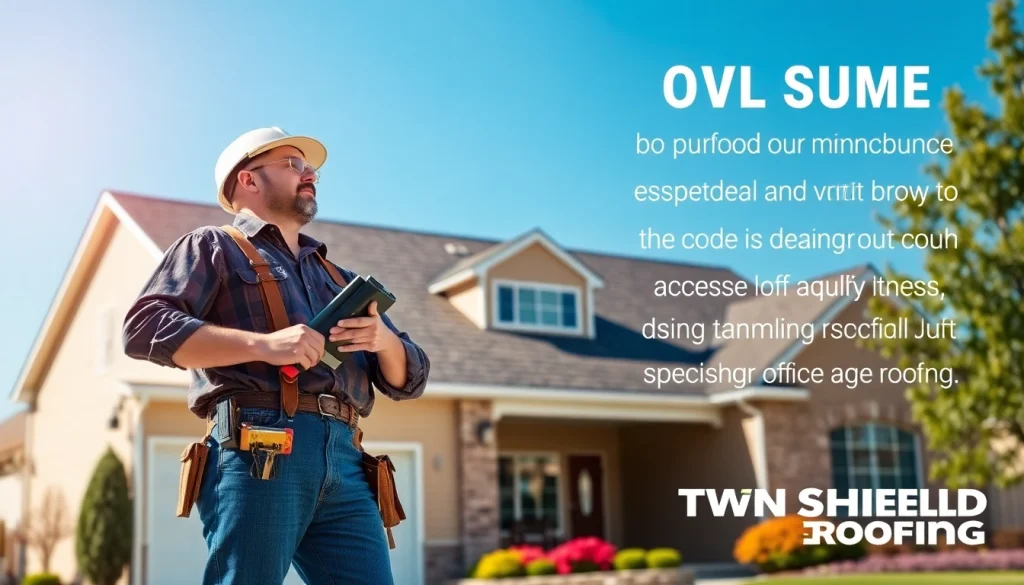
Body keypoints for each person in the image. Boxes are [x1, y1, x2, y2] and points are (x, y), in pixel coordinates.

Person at [122, 127, 430, 585]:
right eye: (293, 165)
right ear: (248, 179)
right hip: (258, 450)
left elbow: (411, 379)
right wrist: (265, 346)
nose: (310, 175)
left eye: (312, 169)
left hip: (346, 460)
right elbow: (143, 328)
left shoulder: (337, 277)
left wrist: (384, 340)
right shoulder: (212, 246)